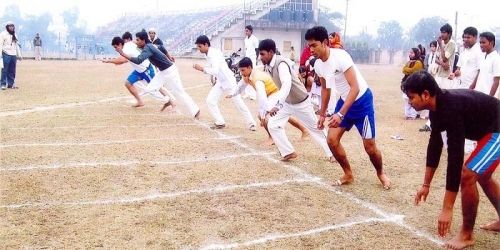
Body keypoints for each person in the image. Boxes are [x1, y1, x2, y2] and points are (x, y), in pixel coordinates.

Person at [404, 71, 499, 250]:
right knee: (483, 176)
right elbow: (435, 146)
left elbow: (455, 159)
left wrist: (447, 209)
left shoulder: (451, 108)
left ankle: (467, 234)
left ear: (425, 94)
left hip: (497, 129)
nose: (409, 101)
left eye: (411, 97)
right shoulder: (436, 109)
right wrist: (426, 185)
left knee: (468, 174)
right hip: (488, 129)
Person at [305, 26, 391, 189]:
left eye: (314, 45)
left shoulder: (341, 56)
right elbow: (325, 89)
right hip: (344, 101)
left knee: (370, 148)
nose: (311, 49)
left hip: (361, 102)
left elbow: (355, 88)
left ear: (324, 43)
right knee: (331, 140)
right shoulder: (318, 65)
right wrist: (322, 114)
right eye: (309, 46)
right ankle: (348, 174)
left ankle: (381, 173)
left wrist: (340, 114)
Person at [258, 38, 333, 162]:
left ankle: (332, 154)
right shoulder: (267, 65)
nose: (260, 57)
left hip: (301, 102)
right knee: (273, 125)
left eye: (262, 54)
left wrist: (278, 105)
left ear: (271, 52)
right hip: (287, 103)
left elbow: (286, 84)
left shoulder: (281, 64)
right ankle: (288, 152)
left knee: (316, 128)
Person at [115, 31, 200, 118]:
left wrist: (122, 53)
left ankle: (195, 110)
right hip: (162, 72)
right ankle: (167, 101)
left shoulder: (148, 48)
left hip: (170, 71)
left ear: (143, 40)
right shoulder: (149, 45)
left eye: (137, 40)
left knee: (179, 92)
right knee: (150, 88)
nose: (136, 42)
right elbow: (162, 48)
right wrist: (169, 57)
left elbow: (138, 60)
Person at [230, 57, 310, 145]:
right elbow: (240, 86)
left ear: (249, 68)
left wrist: (263, 114)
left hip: (275, 93)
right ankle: (304, 130)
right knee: (283, 115)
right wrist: (232, 94)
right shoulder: (246, 75)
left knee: (263, 116)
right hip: (270, 96)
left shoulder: (257, 78)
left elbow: (262, 97)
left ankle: (272, 138)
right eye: (240, 71)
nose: (241, 73)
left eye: (243, 70)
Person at [193, 35, 256, 130]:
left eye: (200, 46)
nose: (198, 49)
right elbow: (215, 71)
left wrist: (202, 69)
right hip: (220, 81)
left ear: (206, 44)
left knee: (239, 103)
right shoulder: (208, 54)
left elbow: (216, 70)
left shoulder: (214, 54)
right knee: (210, 100)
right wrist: (214, 79)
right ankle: (220, 121)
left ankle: (251, 123)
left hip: (229, 80)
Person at [102, 33, 173, 110]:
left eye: (116, 47)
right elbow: (124, 58)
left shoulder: (126, 49)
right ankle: (140, 101)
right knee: (128, 83)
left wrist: (108, 61)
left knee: (157, 87)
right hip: (139, 70)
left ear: (119, 44)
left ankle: (171, 101)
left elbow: (122, 60)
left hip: (146, 70)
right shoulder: (128, 44)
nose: (115, 49)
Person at [470, 32, 500, 98]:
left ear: (491, 43)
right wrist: (472, 86)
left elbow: (496, 81)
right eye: (480, 42)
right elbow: (480, 73)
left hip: (487, 97)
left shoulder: (496, 59)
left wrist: (490, 98)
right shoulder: (482, 57)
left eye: (483, 42)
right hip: (478, 94)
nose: (481, 45)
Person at [402, 48, 424, 120]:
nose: (410, 54)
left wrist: (407, 69)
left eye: (412, 53)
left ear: (416, 54)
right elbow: (403, 70)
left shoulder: (418, 62)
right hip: (408, 83)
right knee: (407, 99)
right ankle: (408, 114)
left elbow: (412, 71)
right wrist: (407, 68)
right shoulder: (410, 62)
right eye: (410, 52)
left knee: (413, 99)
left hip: (415, 84)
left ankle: (413, 115)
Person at [0, 21, 22, 90]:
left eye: (12, 26)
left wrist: (19, 55)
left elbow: (16, 45)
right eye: (10, 26)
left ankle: (11, 84)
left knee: (12, 70)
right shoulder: (3, 34)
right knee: (4, 69)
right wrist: (0, 55)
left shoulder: (14, 34)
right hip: (5, 53)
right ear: (7, 27)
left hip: (13, 54)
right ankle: (3, 84)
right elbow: (0, 44)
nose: (11, 27)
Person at [435, 23, 456, 90]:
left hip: (447, 76)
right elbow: (435, 59)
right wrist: (443, 64)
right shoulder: (441, 43)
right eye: (441, 32)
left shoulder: (451, 44)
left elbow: (444, 58)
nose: (441, 34)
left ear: (449, 34)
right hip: (438, 75)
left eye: (444, 32)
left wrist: (441, 45)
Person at [243, 25, 258, 100]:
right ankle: (247, 93)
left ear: (251, 31)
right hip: (247, 59)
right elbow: (246, 49)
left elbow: (257, 50)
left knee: (252, 76)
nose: (246, 32)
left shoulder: (254, 39)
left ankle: (253, 95)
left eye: (247, 31)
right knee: (246, 76)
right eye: (245, 30)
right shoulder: (245, 39)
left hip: (252, 59)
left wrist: (257, 59)